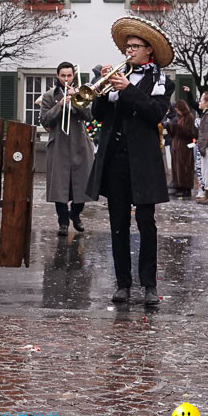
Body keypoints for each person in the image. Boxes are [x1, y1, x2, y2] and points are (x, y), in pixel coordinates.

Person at [86, 17, 174, 307]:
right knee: (118, 223)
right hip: (116, 160)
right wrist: (99, 92)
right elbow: (98, 116)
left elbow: (155, 113)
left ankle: (149, 284)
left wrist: (127, 89)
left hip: (144, 160)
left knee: (147, 224)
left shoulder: (161, 81)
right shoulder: (115, 77)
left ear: (149, 51)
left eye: (135, 47)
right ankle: (122, 283)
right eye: (127, 47)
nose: (129, 52)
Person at [38, 62, 96, 235]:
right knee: (60, 187)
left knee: (82, 185)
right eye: (63, 76)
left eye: (69, 76)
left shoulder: (82, 93)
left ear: (73, 76)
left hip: (80, 145)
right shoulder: (49, 96)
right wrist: (60, 105)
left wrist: (77, 101)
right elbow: (45, 120)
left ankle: (76, 214)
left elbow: (89, 116)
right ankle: (63, 222)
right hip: (59, 146)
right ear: (57, 76)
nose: (66, 79)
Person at [165, 100, 197, 198]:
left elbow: (188, 133)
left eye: (178, 110)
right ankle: (178, 185)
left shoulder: (189, 118)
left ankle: (185, 188)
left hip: (184, 147)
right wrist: (169, 127)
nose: (177, 112)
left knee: (184, 168)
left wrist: (174, 126)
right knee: (177, 167)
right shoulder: (181, 118)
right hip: (177, 146)